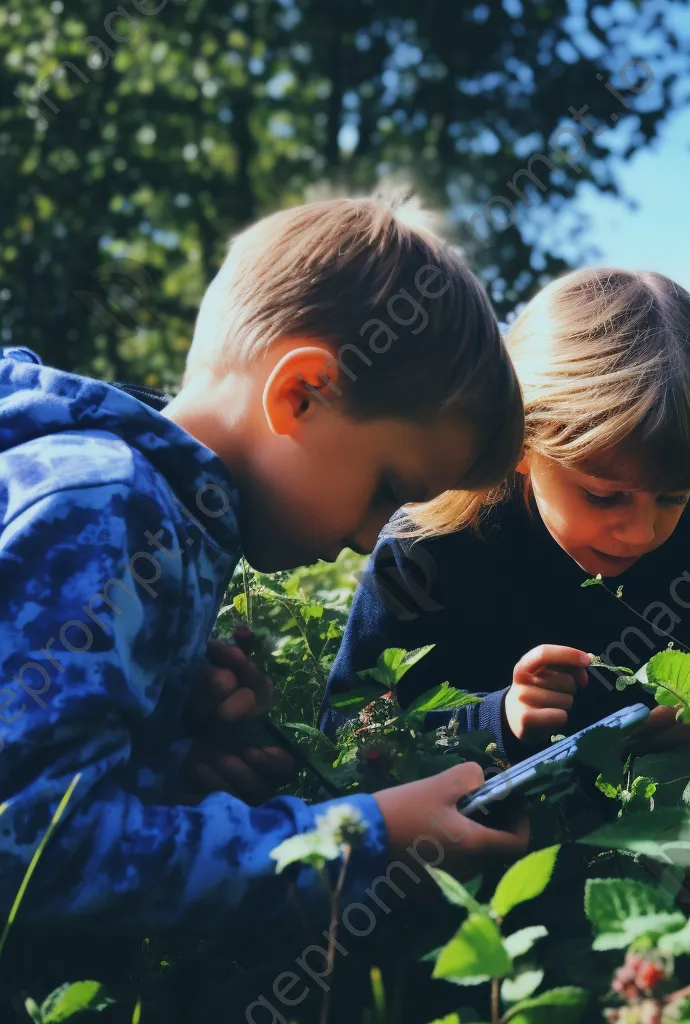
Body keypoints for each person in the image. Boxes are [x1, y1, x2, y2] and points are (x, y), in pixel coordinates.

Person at [0, 193, 529, 936]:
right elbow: (29, 852)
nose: (374, 537)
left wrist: (166, 745)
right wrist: (355, 843)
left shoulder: (143, 510)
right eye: (387, 491)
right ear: (301, 394)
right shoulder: (108, 512)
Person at [320, 268, 690, 764]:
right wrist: (498, 720)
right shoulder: (427, 549)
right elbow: (345, 729)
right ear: (521, 438)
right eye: (604, 496)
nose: (641, 532)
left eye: (673, 498)